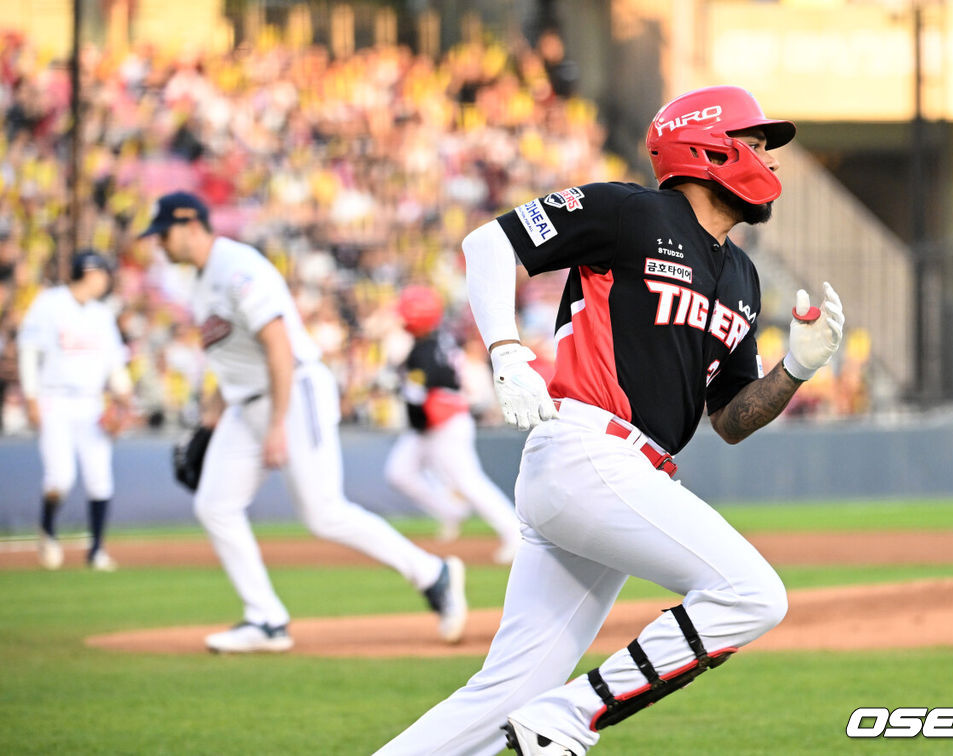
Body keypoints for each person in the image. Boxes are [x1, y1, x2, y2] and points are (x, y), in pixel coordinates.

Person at [375, 85, 845, 755]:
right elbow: (489, 245)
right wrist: (507, 352)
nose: (767, 159)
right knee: (751, 594)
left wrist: (796, 368)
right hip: (587, 451)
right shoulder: (631, 210)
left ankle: (545, 716)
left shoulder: (741, 274)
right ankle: (571, 717)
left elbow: (732, 420)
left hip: (617, 474)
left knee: (503, 696)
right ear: (706, 145)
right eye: (756, 142)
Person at [140, 191, 467, 653]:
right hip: (243, 402)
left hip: (293, 390)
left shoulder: (237, 267)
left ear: (191, 224)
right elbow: (228, 361)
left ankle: (433, 574)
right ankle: (266, 619)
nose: (159, 243)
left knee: (323, 512)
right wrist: (207, 427)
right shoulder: (198, 281)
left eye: (164, 232)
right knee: (215, 505)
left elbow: (278, 345)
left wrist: (277, 425)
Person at [384, 285, 521, 564]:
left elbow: (419, 392)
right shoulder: (436, 341)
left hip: (445, 423)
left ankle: (514, 533)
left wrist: (400, 385)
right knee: (399, 472)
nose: (402, 319)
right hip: (430, 424)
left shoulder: (425, 349)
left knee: (469, 482)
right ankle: (451, 510)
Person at [17, 249, 132, 571]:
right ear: (91, 273)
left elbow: (113, 362)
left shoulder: (102, 313)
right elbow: (29, 350)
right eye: (104, 273)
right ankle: (48, 530)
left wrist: (123, 394)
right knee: (61, 478)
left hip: (92, 402)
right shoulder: (50, 303)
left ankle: (96, 550)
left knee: (100, 479)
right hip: (55, 399)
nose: (107, 279)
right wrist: (30, 397)